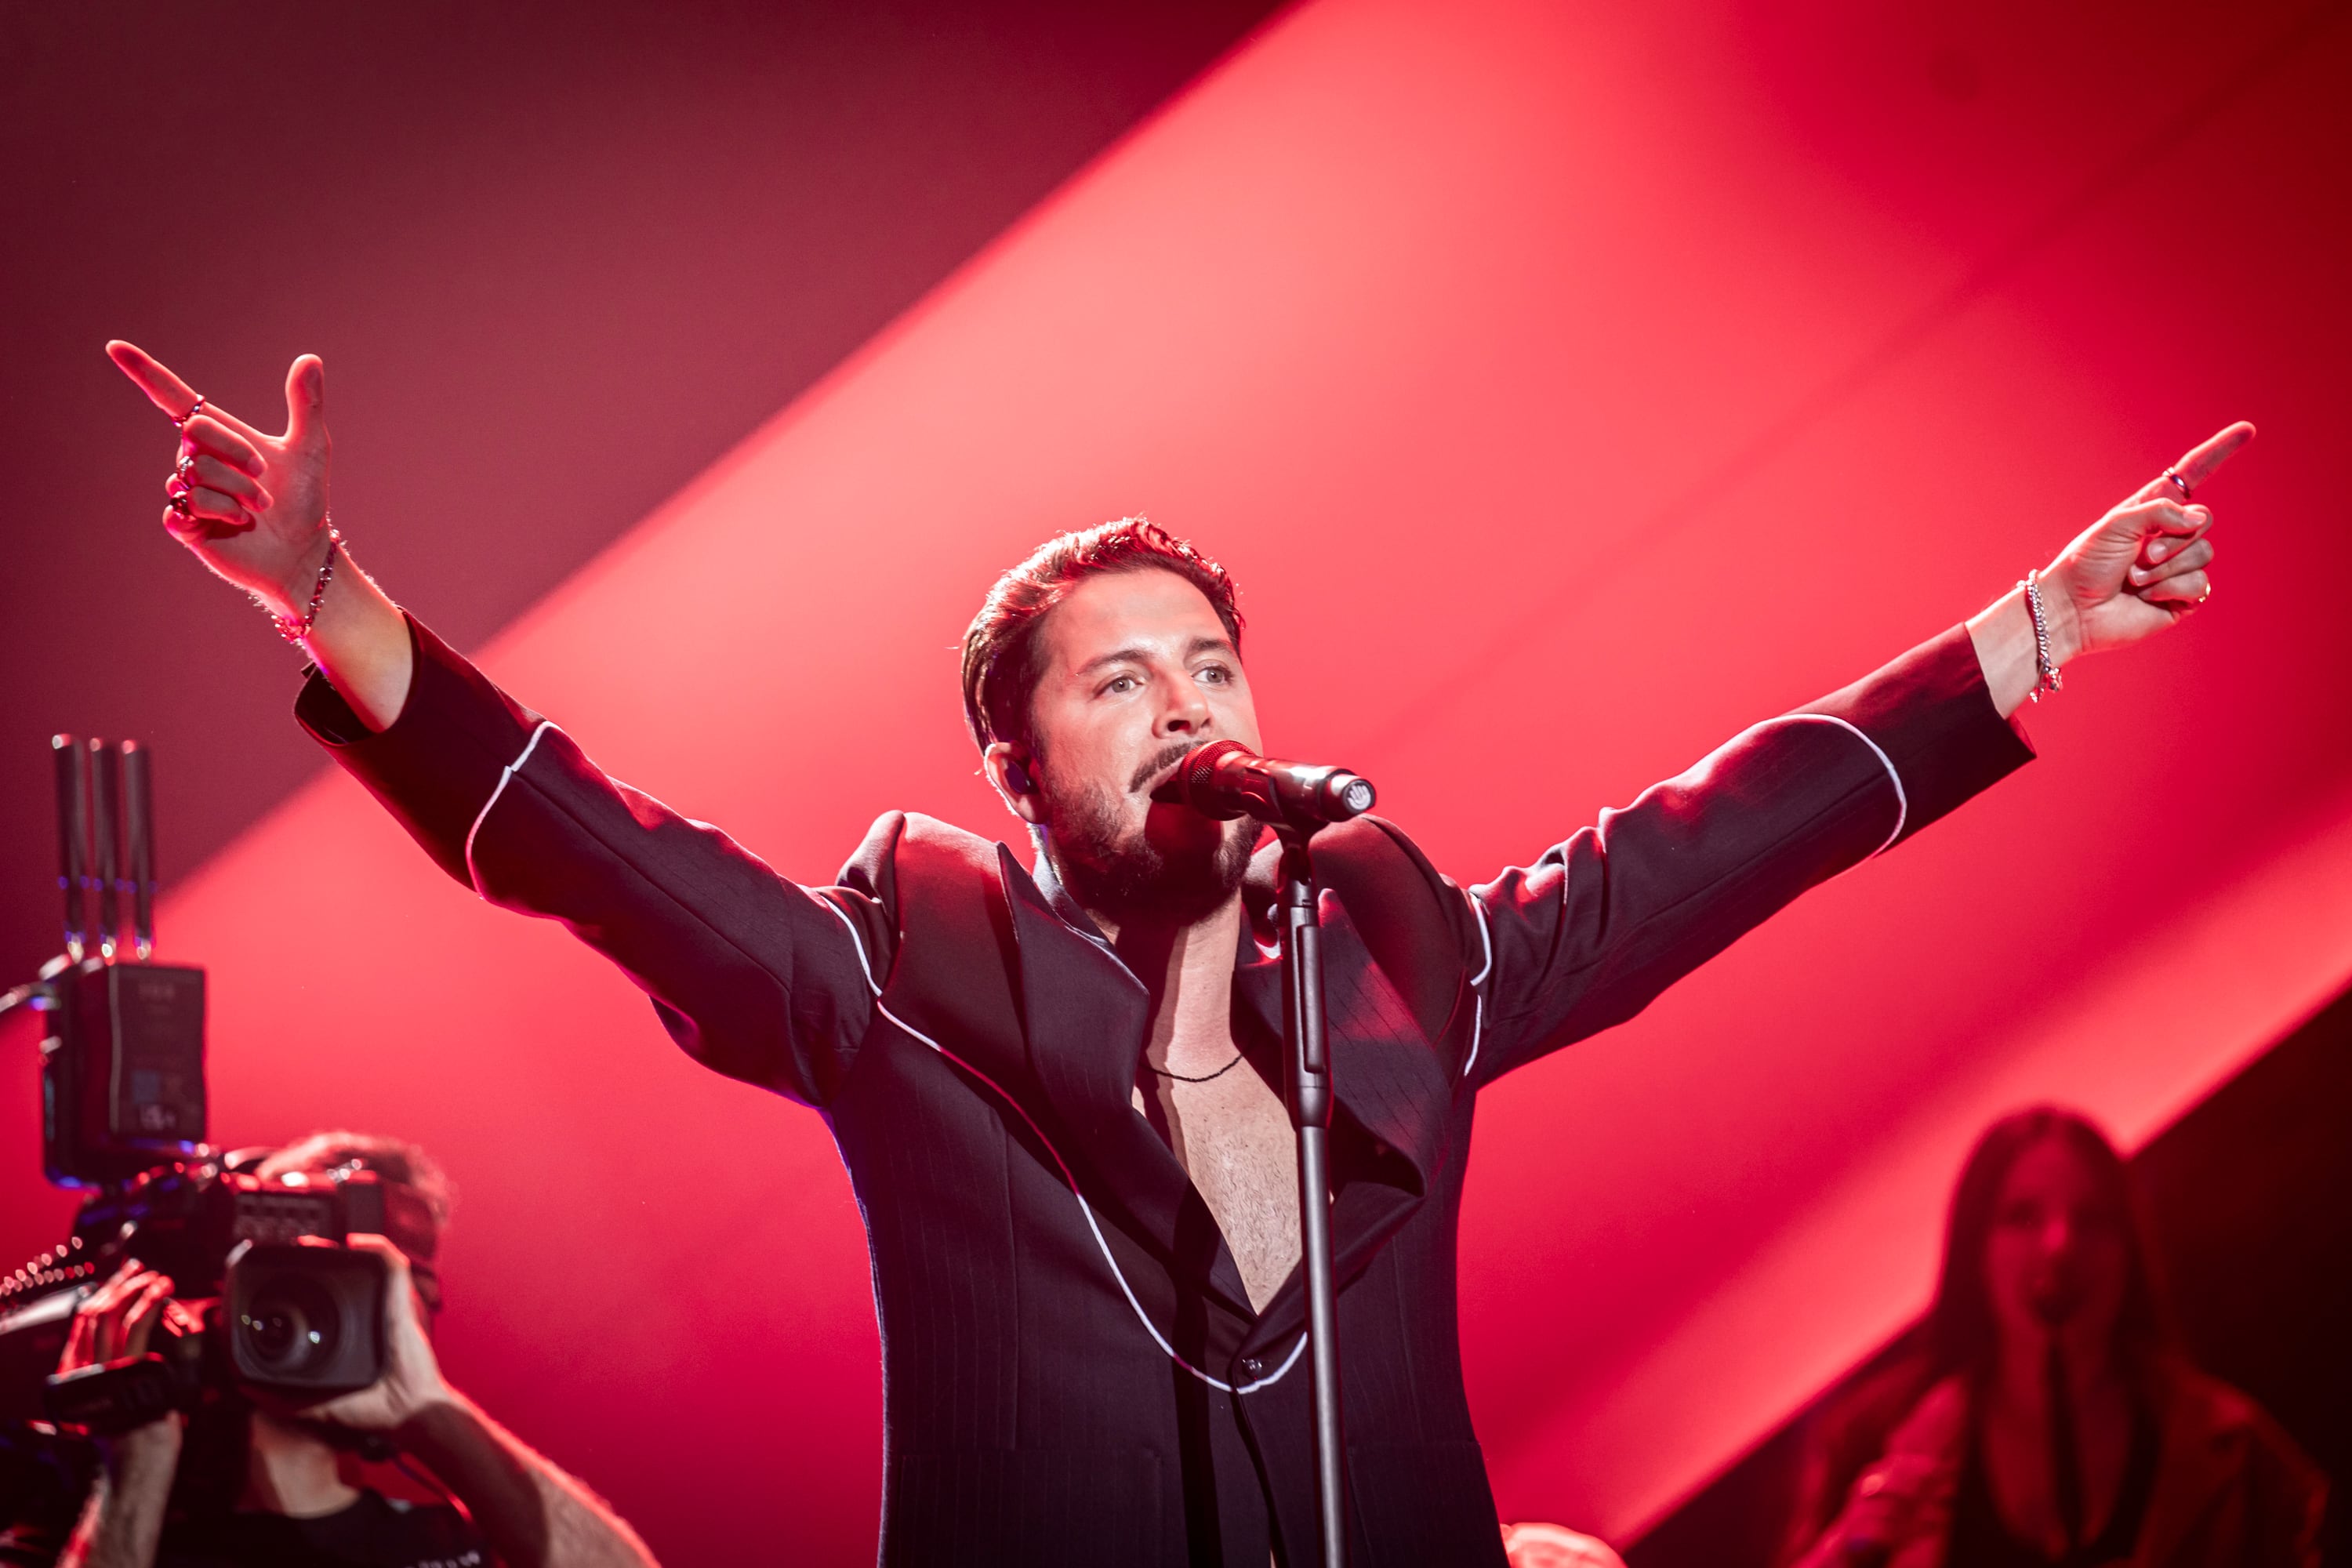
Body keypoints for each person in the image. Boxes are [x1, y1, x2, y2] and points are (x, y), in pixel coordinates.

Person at [106, 337, 2241, 1566]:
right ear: (1012, 767)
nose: (1188, 704)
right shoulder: (897, 1000)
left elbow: (1715, 838)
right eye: (1117, 683)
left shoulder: (1418, 979)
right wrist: (327, 594)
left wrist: (2033, 632)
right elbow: (599, 847)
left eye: (1210, 662)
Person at [53, 1132, 661, 1568]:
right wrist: (134, 1478)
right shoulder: (81, 1528)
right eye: (298, 1279)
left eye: (366, 1287)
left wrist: (431, 1412)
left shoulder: (451, 1546)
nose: (326, 1311)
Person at [1781, 1107, 2326, 1568]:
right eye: (2021, 1216)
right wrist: (1844, 1549)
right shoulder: (1869, 1438)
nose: (2060, 1245)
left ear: (2128, 1252)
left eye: (2092, 1219)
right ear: (1976, 1252)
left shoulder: (2231, 1448)